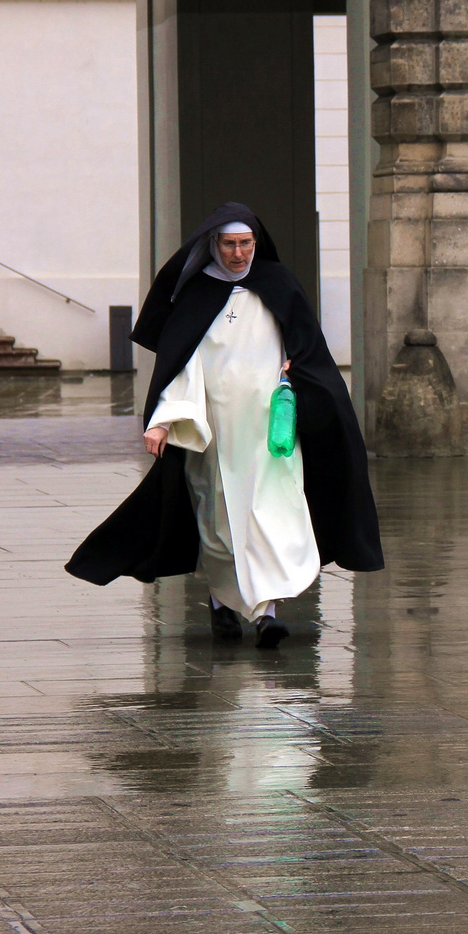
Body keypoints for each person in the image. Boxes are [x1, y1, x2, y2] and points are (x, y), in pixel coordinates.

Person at [66, 202, 383, 648]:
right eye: (230, 244)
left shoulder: (278, 285)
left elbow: (309, 348)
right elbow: (184, 367)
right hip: (213, 434)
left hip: (270, 434)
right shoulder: (198, 295)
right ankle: (221, 604)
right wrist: (163, 421)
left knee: (272, 515)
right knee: (219, 526)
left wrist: (301, 371)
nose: (239, 254)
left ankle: (266, 612)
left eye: (246, 244)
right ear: (213, 245)